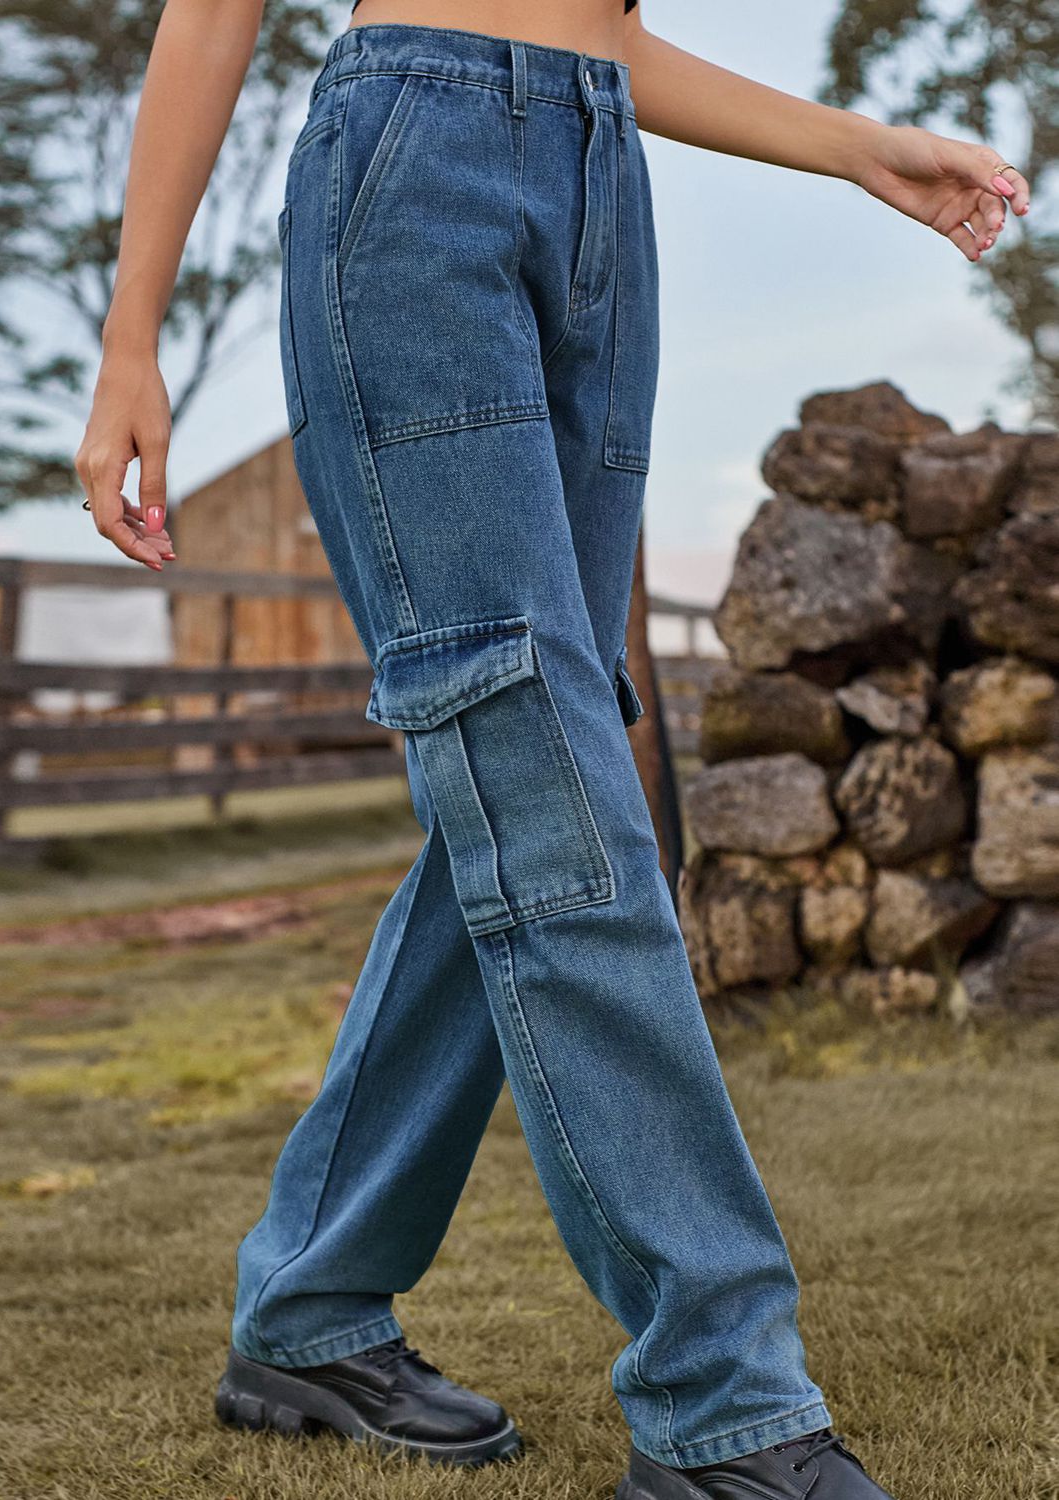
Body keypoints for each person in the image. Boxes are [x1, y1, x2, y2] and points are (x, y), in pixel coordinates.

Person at [74, 2, 1030, 1495]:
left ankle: (309, 1308)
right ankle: (721, 1401)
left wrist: (857, 151)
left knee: (530, 777)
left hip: (595, 178)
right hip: (413, 171)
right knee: (542, 764)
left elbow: (603, 35)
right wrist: (131, 335)